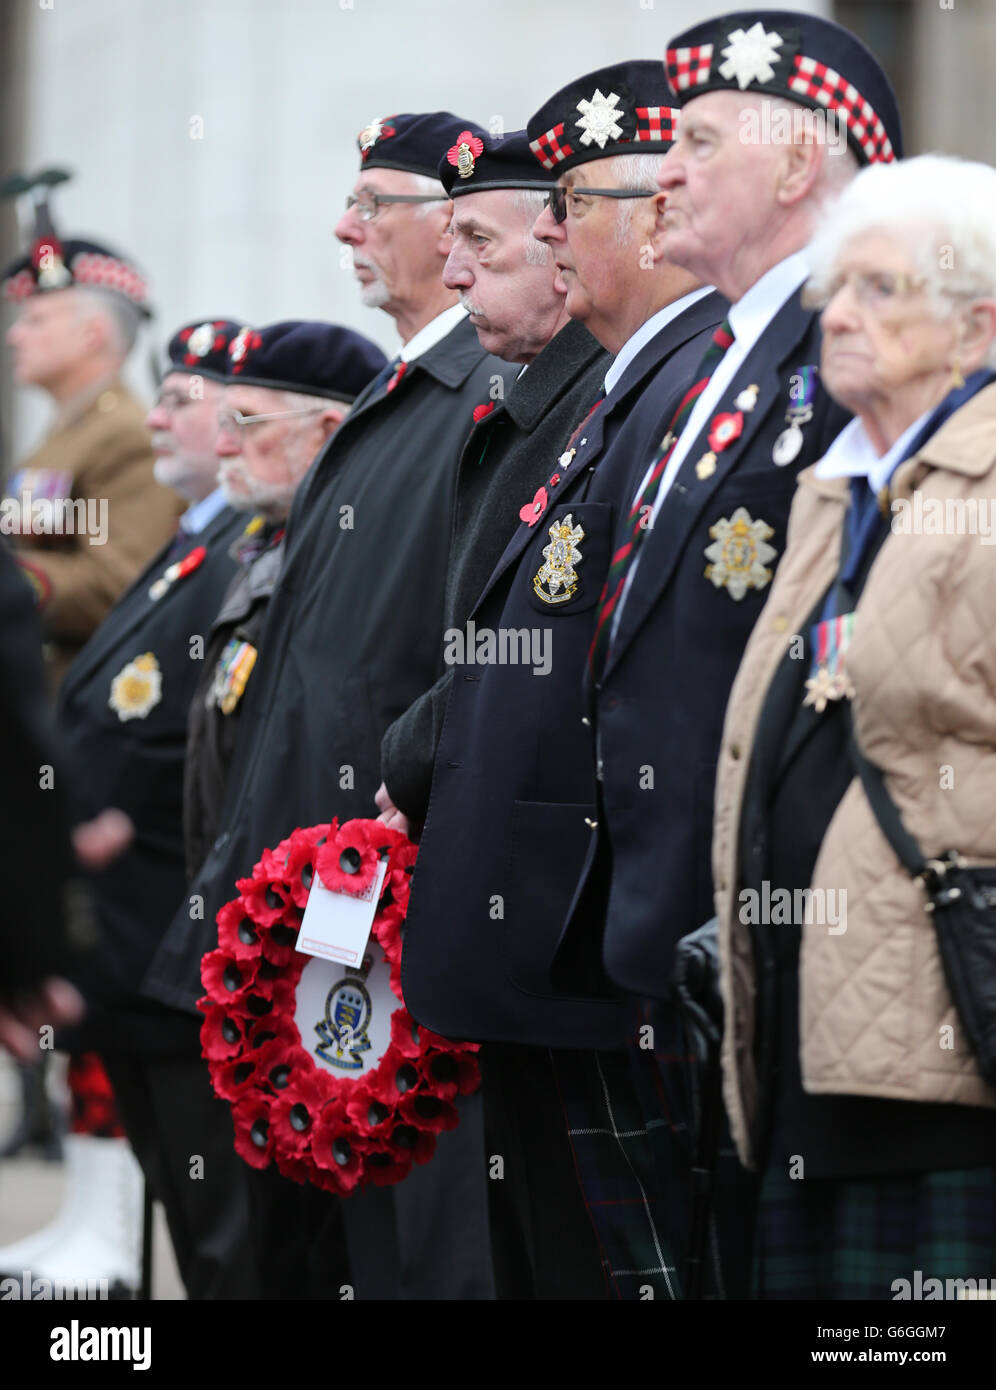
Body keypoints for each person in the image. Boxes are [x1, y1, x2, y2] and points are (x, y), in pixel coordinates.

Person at [549, 10, 902, 1295]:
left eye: (699, 140)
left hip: (762, 929)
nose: (671, 165)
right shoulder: (725, 353)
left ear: (799, 169)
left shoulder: (839, 356)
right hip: (671, 923)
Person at [142, 111, 519, 1301]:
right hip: (321, 916)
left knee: (420, 1254)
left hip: (395, 918)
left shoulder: (485, 392)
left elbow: (466, 664)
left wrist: (377, 850)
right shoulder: (411, 390)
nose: (342, 227)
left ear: (457, 222)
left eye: (376, 202)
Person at [398, 62, 726, 1299]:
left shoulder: (677, 379)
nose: (544, 230)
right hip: (543, 942)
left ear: (652, 213)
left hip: (597, 944)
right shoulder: (630, 382)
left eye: (567, 203)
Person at [712, 153, 996, 1299]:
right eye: (837, 288)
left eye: (883, 290)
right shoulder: (846, 483)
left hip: (946, 1055)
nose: (840, 316)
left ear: (980, 323)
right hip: (814, 1037)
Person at [14, 319, 251, 1299]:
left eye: (185, 401)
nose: (160, 417)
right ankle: (91, 1228)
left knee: (218, 1211)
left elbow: (100, 584)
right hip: (107, 845)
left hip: (156, 865)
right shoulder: (75, 444)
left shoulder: (112, 442)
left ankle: (102, 1239)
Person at [376, 125, 607, 833]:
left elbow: (537, 644)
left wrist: (413, 754)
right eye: (451, 244)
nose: (453, 274)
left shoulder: (602, 396)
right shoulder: (533, 390)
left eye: (479, 241)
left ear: (559, 243)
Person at [185, 320, 385, 877]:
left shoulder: (354, 555)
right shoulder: (264, 540)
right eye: (223, 421)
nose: (223, 443)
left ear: (326, 431)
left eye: (244, 421)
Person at [2, 226, 182, 692]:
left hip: (79, 698)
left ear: (91, 334)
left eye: (36, 321)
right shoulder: (70, 430)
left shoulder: (125, 435)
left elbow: (116, 583)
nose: (14, 336)